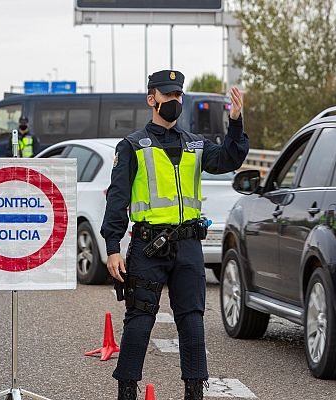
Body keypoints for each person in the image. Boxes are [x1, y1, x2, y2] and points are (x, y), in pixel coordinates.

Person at [101, 70, 249, 400]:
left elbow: (229, 158)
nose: (175, 101)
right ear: (151, 99)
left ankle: (194, 391)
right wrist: (113, 247)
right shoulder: (132, 147)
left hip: (188, 246)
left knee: (193, 324)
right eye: (168, 95)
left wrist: (235, 122)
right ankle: (127, 391)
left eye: (179, 95)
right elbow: (117, 199)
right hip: (147, 246)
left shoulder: (195, 144)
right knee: (139, 321)